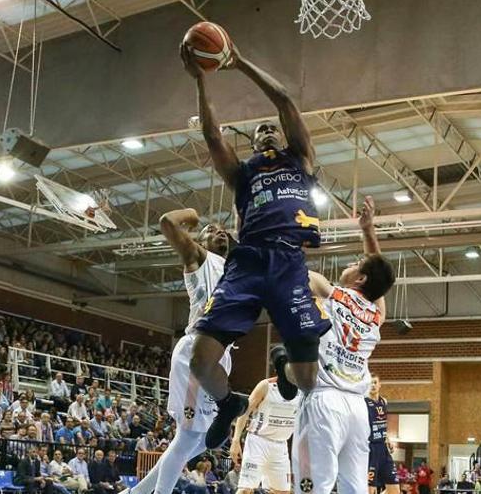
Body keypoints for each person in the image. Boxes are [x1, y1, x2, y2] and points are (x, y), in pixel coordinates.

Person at [180, 36, 330, 449]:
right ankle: (229, 404)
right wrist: (201, 79)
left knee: (307, 380)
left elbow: (284, 99)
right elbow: (212, 135)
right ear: (252, 144)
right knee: (199, 361)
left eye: (271, 128)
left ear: (279, 137)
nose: (266, 131)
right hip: (246, 262)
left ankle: (284, 363)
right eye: (259, 130)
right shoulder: (243, 174)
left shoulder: (298, 159)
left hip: (287, 261)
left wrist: (239, 59)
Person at [289, 197, 395, 494]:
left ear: (359, 278)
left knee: (313, 488)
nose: (352, 263)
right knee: (355, 489)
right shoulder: (376, 315)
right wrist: (368, 231)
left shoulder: (331, 292)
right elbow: (379, 277)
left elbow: (297, 274)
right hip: (357, 410)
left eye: (356, 264)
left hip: (326, 400)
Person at [129, 207, 232, 494]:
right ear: (199, 241)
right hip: (196, 350)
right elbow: (167, 222)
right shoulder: (199, 258)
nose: (219, 231)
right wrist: (190, 214)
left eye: (223, 229)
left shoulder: (234, 271)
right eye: (211, 230)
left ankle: (135, 493)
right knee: (188, 437)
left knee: (205, 440)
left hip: (221, 353)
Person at [230, 377, 298, 494]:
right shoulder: (266, 385)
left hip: (281, 445)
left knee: (282, 492)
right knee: (246, 490)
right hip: (258, 442)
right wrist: (235, 441)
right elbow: (244, 412)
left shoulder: (303, 389)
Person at [367, 375, 399, 494]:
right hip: (371, 448)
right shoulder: (363, 401)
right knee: (370, 490)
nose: (373, 385)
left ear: (380, 385)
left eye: (375, 382)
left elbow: (382, 423)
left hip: (383, 448)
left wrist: (388, 438)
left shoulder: (384, 401)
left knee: (395, 490)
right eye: (370, 383)